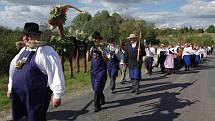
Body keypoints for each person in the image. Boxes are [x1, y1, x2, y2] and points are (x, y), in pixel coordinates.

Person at [7, 22, 65, 121]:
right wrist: (10, 87)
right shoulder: (23, 50)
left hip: (37, 96)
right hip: (20, 97)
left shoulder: (45, 51)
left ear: (37, 36)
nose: (25, 38)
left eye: (29, 35)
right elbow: (13, 69)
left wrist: (57, 94)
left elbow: (55, 72)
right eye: (25, 35)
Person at [88, 31, 108, 112]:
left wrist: (102, 54)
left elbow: (107, 61)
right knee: (95, 88)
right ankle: (102, 98)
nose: (96, 40)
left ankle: (96, 105)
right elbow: (88, 60)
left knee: (97, 88)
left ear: (100, 40)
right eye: (95, 39)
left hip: (101, 71)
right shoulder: (91, 48)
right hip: (93, 71)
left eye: (97, 39)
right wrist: (87, 52)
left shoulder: (104, 48)